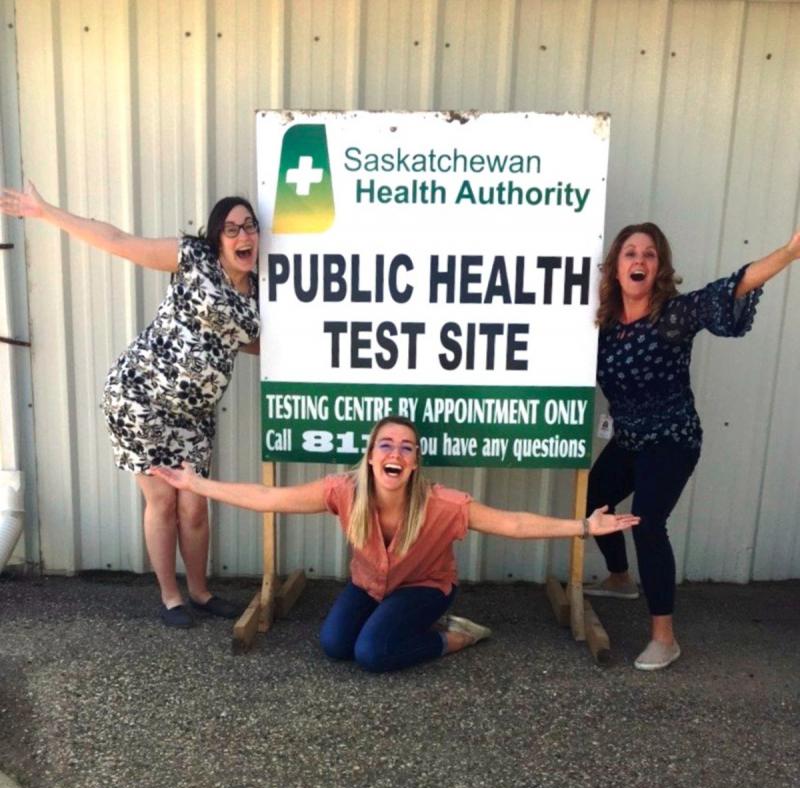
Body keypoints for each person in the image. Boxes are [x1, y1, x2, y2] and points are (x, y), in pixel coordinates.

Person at [150, 415, 639, 673]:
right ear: (369, 457)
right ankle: (408, 628)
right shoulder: (343, 491)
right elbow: (265, 496)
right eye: (386, 444)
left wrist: (583, 527)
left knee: (372, 654)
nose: (396, 452)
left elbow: (511, 523)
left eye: (407, 447)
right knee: (333, 645)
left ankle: (456, 635)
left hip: (425, 587)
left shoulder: (441, 504)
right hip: (369, 585)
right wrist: (197, 486)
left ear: (415, 464)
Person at [0, 183, 261, 628]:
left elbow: (256, 343)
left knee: (194, 504)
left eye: (249, 227)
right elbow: (118, 240)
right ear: (217, 237)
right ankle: (171, 597)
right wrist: (46, 213)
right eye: (231, 228)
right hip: (139, 399)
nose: (243, 236)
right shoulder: (193, 260)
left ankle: (200, 591)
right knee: (162, 501)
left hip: (194, 415)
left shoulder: (257, 293)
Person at [585, 222, 800, 670]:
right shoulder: (603, 323)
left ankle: (664, 637)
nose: (639, 261)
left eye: (649, 254)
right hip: (629, 436)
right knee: (595, 497)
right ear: (615, 266)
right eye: (630, 253)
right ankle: (621, 578)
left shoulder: (673, 315)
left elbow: (733, 287)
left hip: (672, 437)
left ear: (659, 266)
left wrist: (789, 251)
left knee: (646, 522)